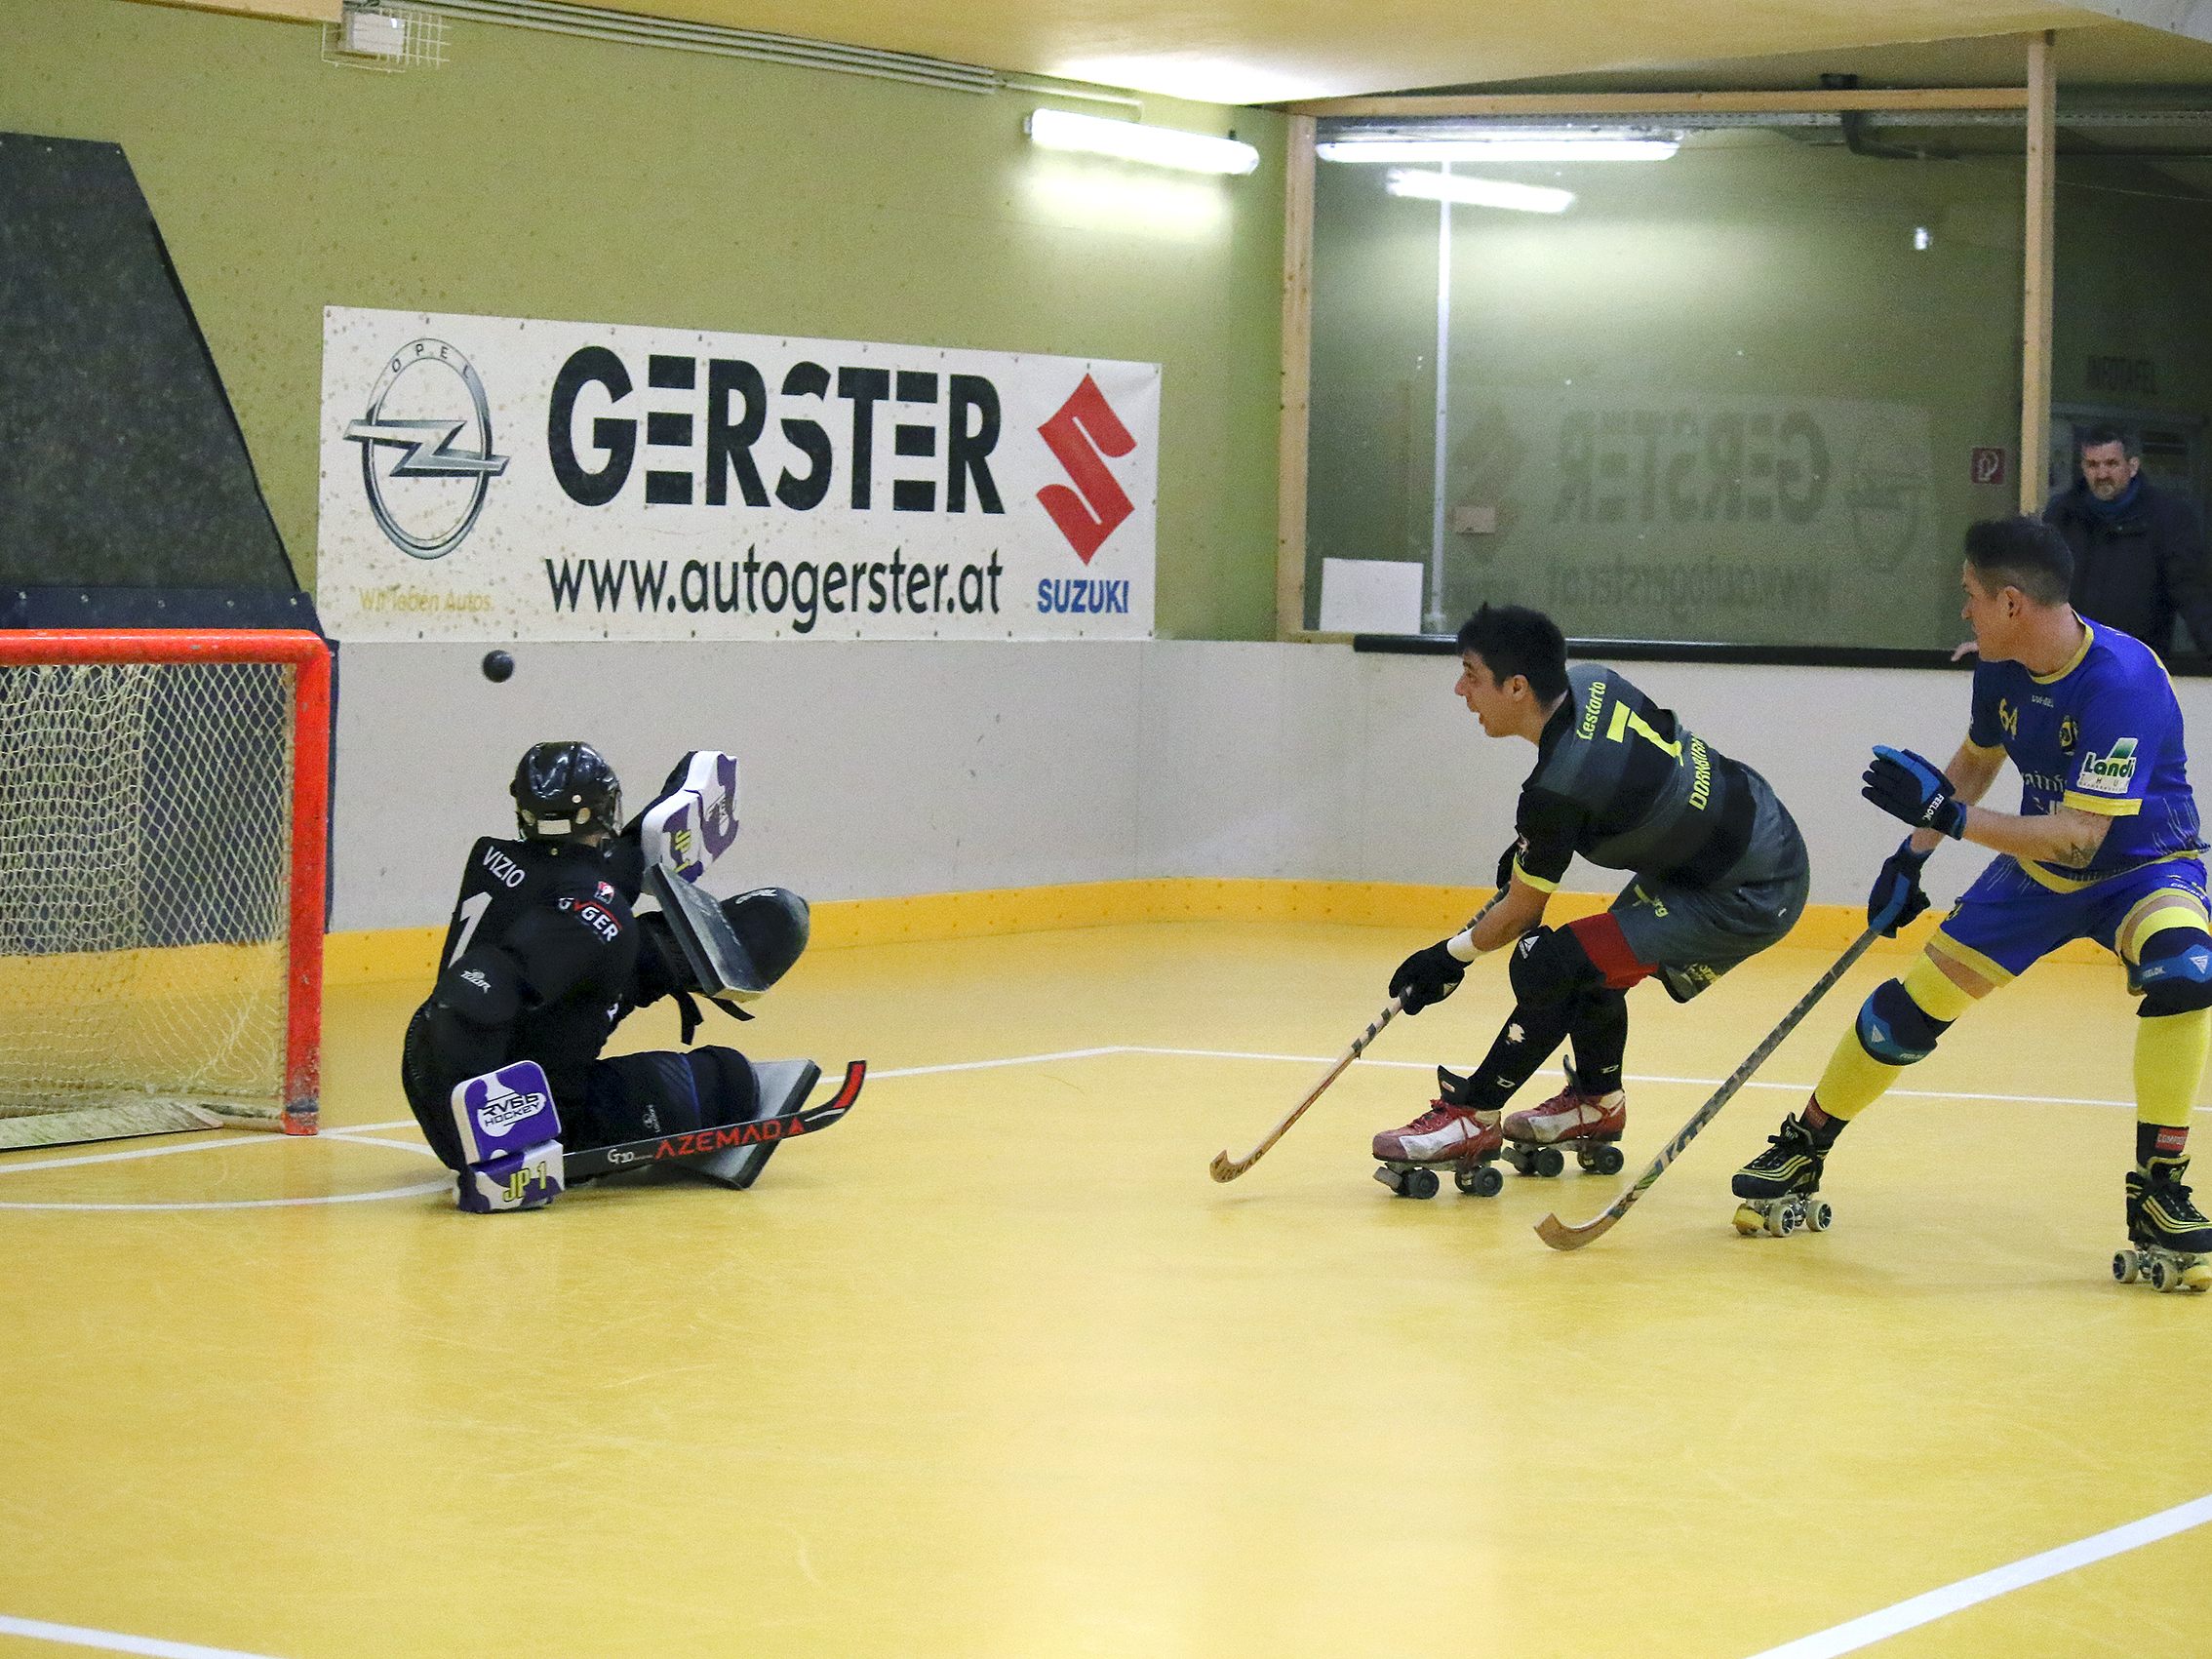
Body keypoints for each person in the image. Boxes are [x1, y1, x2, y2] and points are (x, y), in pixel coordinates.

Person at [1732, 517, 2212, 1291]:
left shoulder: (2124, 680)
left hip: (2144, 868)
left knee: (2186, 971)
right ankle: (1803, 1146)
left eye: (1971, 596)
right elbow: (1977, 762)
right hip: (2036, 868)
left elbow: (2084, 840)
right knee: (1903, 1014)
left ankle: (2159, 1186)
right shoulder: (1999, 664)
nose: (1965, 611)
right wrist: (1910, 856)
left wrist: (1950, 820)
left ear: (2013, 602)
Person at [1374, 604, 1809, 1193]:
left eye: (1472, 675)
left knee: (1550, 963)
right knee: (1593, 966)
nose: (1461, 690)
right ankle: (1596, 1103)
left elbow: (1523, 915)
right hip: (1751, 827)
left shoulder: (1555, 790)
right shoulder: (1592, 680)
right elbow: (1620, 782)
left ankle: (1473, 1115)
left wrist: (1448, 958)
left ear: (1518, 686)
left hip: (1749, 889)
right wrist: (1535, 849)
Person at [401, 741, 812, 1208]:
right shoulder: (594, 908)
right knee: (732, 1084)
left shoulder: (500, 859)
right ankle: (523, 1124)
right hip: (514, 1104)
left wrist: (669, 811)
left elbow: (603, 876)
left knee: (743, 925)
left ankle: (659, 970)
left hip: (443, 1052)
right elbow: (474, 996)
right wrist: (498, 1149)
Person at [2043, 426, 2212, 660]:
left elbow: (2193, 595)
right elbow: (2035, 589)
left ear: (2132, 467)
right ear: (2083, 468)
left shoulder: (2167, 518)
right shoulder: (2062, 516)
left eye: (2111, 464)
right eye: (2092, 465)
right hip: (2070, 663)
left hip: (2138, 664)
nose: (2102, 474)